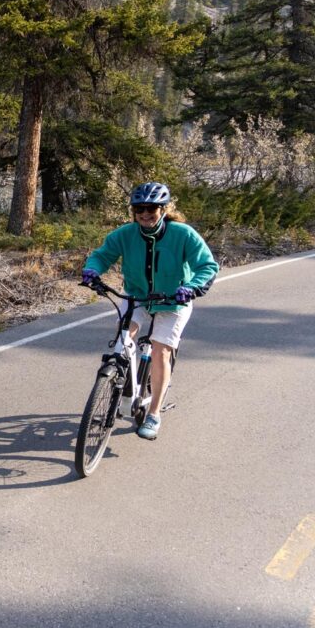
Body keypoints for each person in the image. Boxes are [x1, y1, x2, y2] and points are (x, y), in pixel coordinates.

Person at [81, 181, 219, 440]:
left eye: (151, 208)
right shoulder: (125, 234)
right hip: (137, 296)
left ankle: (154, 413)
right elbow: (102, 255)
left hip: (173, 300)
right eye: (139, 209)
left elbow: (207, 266)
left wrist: (191, 287)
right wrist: (92, 270)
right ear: (133, 211)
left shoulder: (183, 234)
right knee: (123, 341)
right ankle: (124, 388)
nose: (145, 214)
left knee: (160, 351)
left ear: (163, 209)